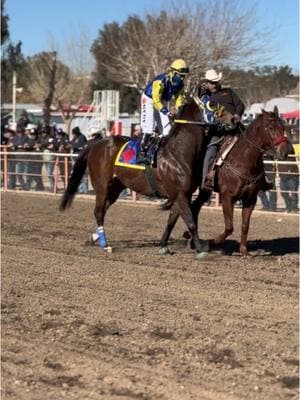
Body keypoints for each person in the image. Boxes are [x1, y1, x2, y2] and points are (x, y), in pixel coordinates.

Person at [199, 69, 245, 191]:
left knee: (252, 144)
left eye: (215, 82)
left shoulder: (228, 91)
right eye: (210, 83)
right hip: (218, 130)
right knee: (210, 151)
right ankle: (206, 180)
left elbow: (240, 105)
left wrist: (237, 114)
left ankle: (263, 178)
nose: (213, 85)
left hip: (236, 127)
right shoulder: (205, 97)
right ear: (207, 84)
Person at [139, 59, 189, 162]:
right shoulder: (161, 80)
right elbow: (156, 101)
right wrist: (167, 112)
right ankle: (141, 153)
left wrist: (180, 112)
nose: (182, 78)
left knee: (167, 130)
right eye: (180, 75)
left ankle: (163, 153)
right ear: (173, 72)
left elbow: (179, 101)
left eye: (184, 76)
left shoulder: (181, 85)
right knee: (149, 126)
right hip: (149, 99)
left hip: (161, 101)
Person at [278, 139, 299, 213]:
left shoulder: (288, 146)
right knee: (283, 193)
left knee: (293, 193)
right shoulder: (279, 146)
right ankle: (288, 206)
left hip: (292, 175)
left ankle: (294, 208)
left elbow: (282, 154)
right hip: (282, 175)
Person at [68, 126, 88, 193]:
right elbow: (71, 143)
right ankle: (80, 189)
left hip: (82, 158)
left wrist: (73, 145)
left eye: (73, 133)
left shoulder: (82, 137)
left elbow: (81, 145)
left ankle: (84, 190)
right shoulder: (75, 137)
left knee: (83, 174)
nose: (73, 135)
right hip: (75, 158)